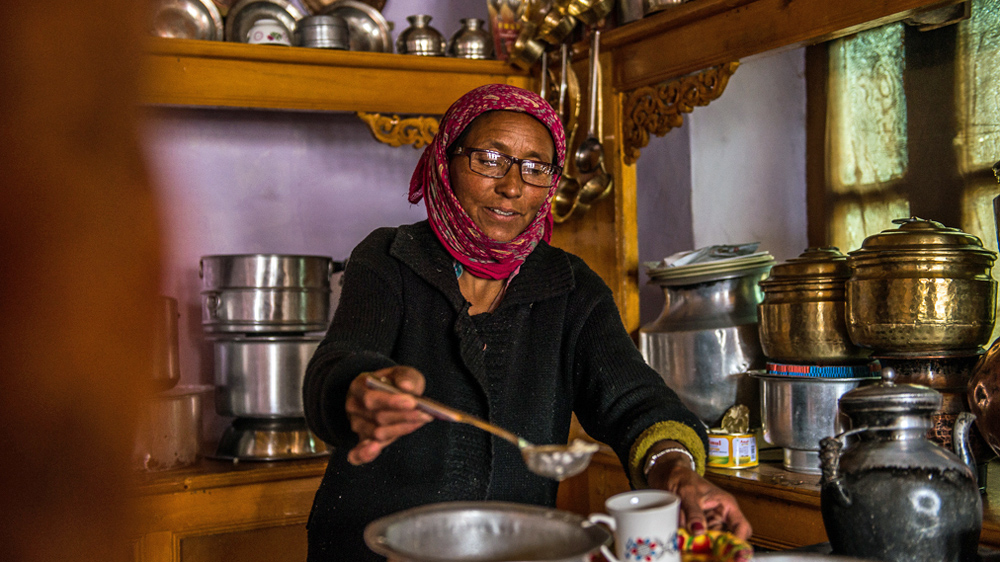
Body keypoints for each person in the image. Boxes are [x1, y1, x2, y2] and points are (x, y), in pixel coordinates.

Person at [303, 83, 751, 561]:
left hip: (517, 552)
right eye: (490, 159)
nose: (512, 186)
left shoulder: (570, 287)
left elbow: (635, 401)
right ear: (445, 161)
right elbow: (339, 361)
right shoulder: (391, 258)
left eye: (535, 168)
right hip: (375, 551)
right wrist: (359, 390)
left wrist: (676, 470)